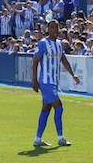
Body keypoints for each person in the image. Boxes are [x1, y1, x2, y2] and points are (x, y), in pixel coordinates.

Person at [30, 20, 80, 148]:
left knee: (46, 109)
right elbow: (35, 62)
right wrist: (34, 80)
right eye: (52, 27)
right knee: (59, 107)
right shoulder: (42, 43)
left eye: (56, 27)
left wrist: (72, 74)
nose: (54, 29)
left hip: (54, 82)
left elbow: (63, 60)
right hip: (46, 82)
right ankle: (61, 138)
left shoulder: (59, 44)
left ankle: (37, 139)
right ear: (48, 29)